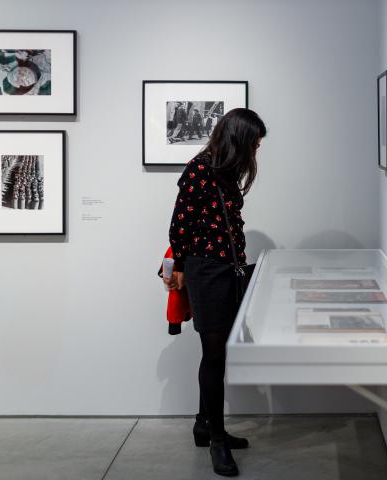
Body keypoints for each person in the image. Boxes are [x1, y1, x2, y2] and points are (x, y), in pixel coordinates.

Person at [163, 108, 266, 477]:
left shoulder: (223, 171)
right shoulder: (199, 170)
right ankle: (217, 440)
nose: (257, 147)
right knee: (214, 354)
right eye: (254, 140)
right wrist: (179, 272)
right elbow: (180, 228)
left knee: (222, 351)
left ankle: (204, 425)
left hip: (227, 270)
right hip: (206, 272)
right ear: (237, 138)